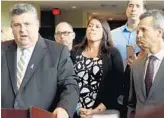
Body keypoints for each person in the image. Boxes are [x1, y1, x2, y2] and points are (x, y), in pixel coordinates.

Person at [1, 3, 79, 118]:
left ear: (37, 25)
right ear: (11, 27)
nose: (23, 30)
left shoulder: (58, 51)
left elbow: (70, 85)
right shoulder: (2, 49)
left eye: (27, 24)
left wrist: (64, 108)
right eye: (17, 25)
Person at [71, 17, 124, 118]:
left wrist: (96, 111)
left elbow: (117, 85)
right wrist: (77, 109)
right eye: (90, 26)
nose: (92, 28)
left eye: (97, 26)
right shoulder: (74, 52)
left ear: (104, 32)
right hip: (76, 110)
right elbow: (68, 81)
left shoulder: (112, 53)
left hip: (103, 111)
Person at [128, 9, 164, 118]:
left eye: (144, 30)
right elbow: (132, 103)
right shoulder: (135, 66)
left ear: (159, 32)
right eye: (138, 31)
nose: (138, 35)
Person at [111, 0, 146, 69]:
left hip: (142, 77)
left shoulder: (149, 35)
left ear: (144, 11)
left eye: (138, 6)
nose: (133, 9)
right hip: (117, 77)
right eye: (130, 6)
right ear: (126, 9)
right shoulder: (112, 34)